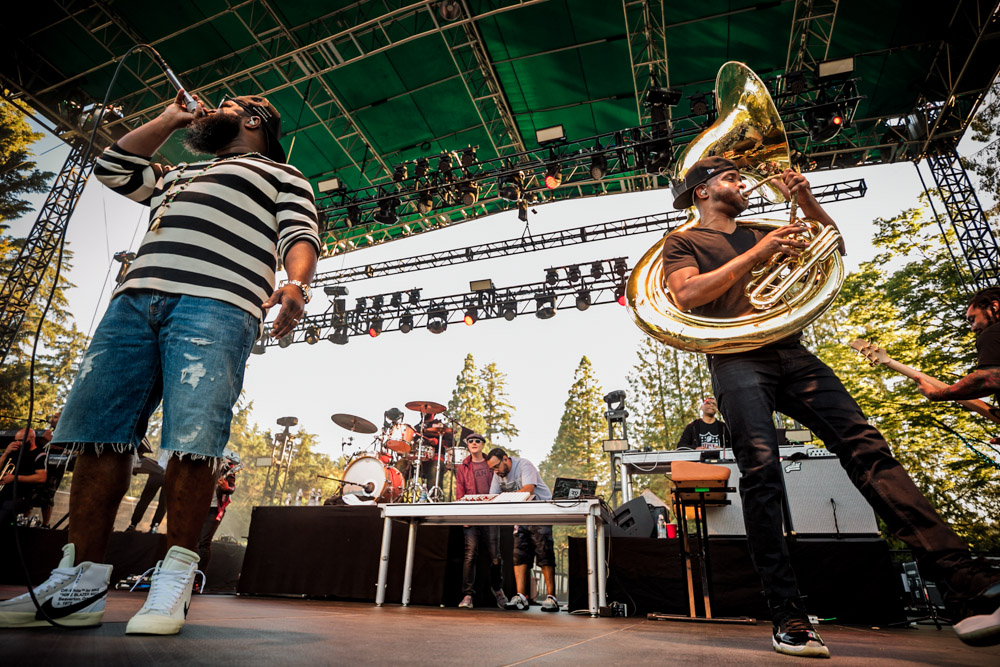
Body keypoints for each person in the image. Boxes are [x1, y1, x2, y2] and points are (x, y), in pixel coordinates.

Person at [0, 89, 320, 635]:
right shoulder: (178, 175)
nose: (212, 107)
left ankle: (173, 579)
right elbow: (114, 167)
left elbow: (300, 234)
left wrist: (296, 284)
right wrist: (171, 118)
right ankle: (78, 583)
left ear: (254, 119)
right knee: (99, 436)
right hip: (133, 302)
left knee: (194, 439)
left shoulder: (281, 175)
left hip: (217, 302)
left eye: (227, 103)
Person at [661, 156, 1000, 656]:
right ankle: (787, 612)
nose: (743, 183)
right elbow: (687, 294)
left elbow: (832, 245)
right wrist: (759, 254)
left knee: (868, 449)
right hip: (735, 359)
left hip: (792, 352)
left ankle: (963, 585)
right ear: (703, 191)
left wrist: (804, 198)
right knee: (761, 472)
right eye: (731, 178)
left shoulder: (762, 228)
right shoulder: (684, 242)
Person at [485, 448, 558, 612]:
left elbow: (528, 490)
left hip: (540, 512)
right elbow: (492, 497)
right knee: (519, 554)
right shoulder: (498, 475)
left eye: (496, 466)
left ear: (505, 459)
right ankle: (521, 597)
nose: (495, 471)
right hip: (521, 515)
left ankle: (551, 597)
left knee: (544, 552)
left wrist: (503, 498)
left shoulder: (524, 465)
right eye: (492, 469)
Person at [914, 287, 1000, 413]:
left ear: (994, 306)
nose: (972, 329)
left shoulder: (992, 333)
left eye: (972, 320)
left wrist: (935, 394)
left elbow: (987, 379)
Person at [454, 433, 506, 609]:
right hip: (471, 513)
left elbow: (500, 484)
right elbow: (460, 492)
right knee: (470, 554)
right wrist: (463, 515)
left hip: (491, 513)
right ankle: (468, 595)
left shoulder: (491, 463)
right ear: (467, 445)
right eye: (470, 441)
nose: (474, 443)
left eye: (478, 440)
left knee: (495, 555)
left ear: (483, 444)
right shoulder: (463, 467)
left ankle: (498, 590)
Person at [196, 450, 240, 578]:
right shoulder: (201, 460)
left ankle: (198, 578)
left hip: (214, 509)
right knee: (192, 541)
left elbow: (231, 487)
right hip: (197, 507)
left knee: (203, 543)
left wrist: (226, 488)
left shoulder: (226, 466)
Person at [0, 429, 48, 527]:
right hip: (4, 494)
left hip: (21, 496)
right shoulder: (14, 451)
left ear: (32, 439)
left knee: (5, 512)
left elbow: (41, 477)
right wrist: (5, 453)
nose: (17, 443)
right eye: (15, 440)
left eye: (21, 440)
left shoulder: (39, 454)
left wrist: (14, 478)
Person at [126, 447, 169, 533]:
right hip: (158, 472)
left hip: (168, 475)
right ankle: (133, 525)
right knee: (145, 500)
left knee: (163, 504)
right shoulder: (169, 444)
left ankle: (153, 527)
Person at [37, 412, 69, 528]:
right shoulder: (48, 433)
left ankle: (45, 525)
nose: (52, 419)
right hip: (41, 465)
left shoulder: (66, 433)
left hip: (55, 468)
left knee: (48, 495)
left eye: (55, 417)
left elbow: (67, 448)